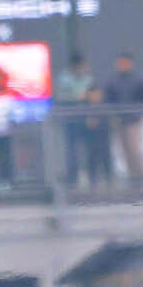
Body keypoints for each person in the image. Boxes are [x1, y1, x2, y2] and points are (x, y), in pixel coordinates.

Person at [103, 51, 143, 185]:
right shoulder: (113, 80)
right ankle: (132, 174)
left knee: (134, 147)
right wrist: (113, 113)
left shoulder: (139, 79)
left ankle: (140, 173)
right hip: (119, 119)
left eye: (125, 62)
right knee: (124, 149)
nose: (122, 65)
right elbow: (108, 98)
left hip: (134, 119)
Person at [55, 52, 100, 187]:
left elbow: (94, 96)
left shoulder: (89, 78)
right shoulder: (64, 79)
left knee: (91, 149)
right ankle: (72, 179)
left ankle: (93, 177)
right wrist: (80, 96)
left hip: (86, 118)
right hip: (71, 120)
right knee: (72, 150)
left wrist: (93, 115)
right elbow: (61, 97)